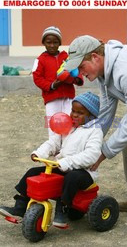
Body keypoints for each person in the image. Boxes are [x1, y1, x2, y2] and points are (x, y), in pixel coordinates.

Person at [64, 35, 127, 212]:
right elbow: (105, 114)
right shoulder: (104, 74)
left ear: (95, 57)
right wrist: (85, 143)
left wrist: (103, 153)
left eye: (81, 66)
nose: (80, 73)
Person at [0, 92, 103, 228]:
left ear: (92, 115)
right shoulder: (68, 126)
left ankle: (63, 209)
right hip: (61, 167)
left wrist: (67, 162)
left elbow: (91, 154)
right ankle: (20, 206)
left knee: (72, 177)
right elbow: (53, 143)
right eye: (73, 111)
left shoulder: (94, 131)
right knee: (33, 173)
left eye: (80, 113)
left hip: (84, 173)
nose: (74, 115)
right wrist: (39, 153)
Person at [32, 26, 83, 137]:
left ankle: (67, 145)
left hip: (68, 96)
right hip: (51, 98)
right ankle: (54, 146)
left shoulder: (66, 57)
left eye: (55, 42)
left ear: (59, 43)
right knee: (53, 122)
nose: (52, 45)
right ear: (43, 43)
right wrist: (51, 85)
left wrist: (77, 79)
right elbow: (37, 78)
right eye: (48, 42)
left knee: (70, 121)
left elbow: (76, 69)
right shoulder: (40, 60)